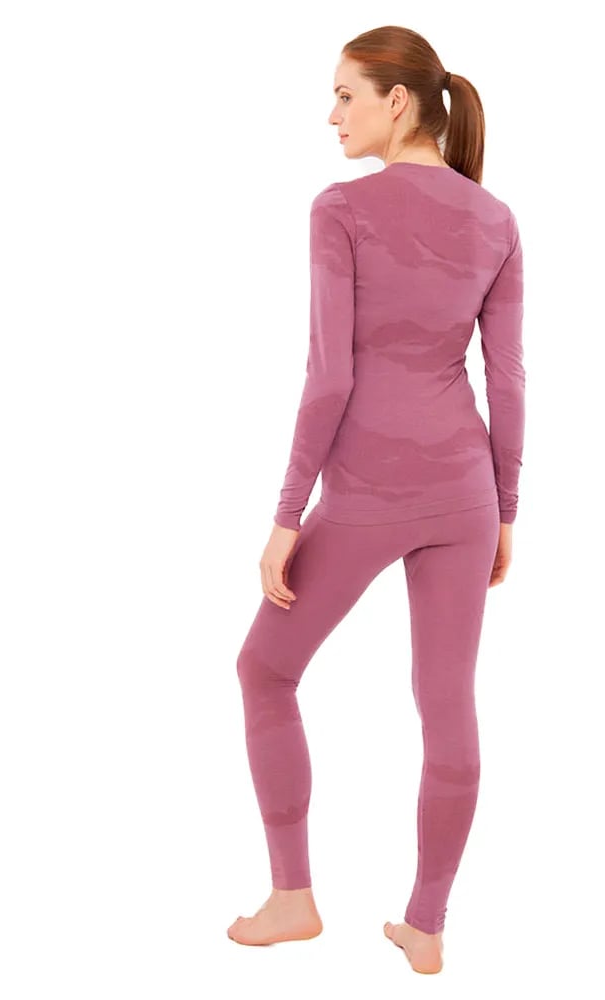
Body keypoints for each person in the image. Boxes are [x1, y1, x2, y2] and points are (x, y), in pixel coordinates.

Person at [229, 26, 525, 975]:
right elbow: (507, 379)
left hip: (367, 494)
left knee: (265, 670)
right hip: (463, 495)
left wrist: (286, 515)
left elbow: (329, 377)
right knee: (448, 704)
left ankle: (292, 897)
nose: (332, 114)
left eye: (346, 94)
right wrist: (505, 509)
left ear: (398, 102)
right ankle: (426, 926)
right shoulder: (497, 220)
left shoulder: (341, 209)